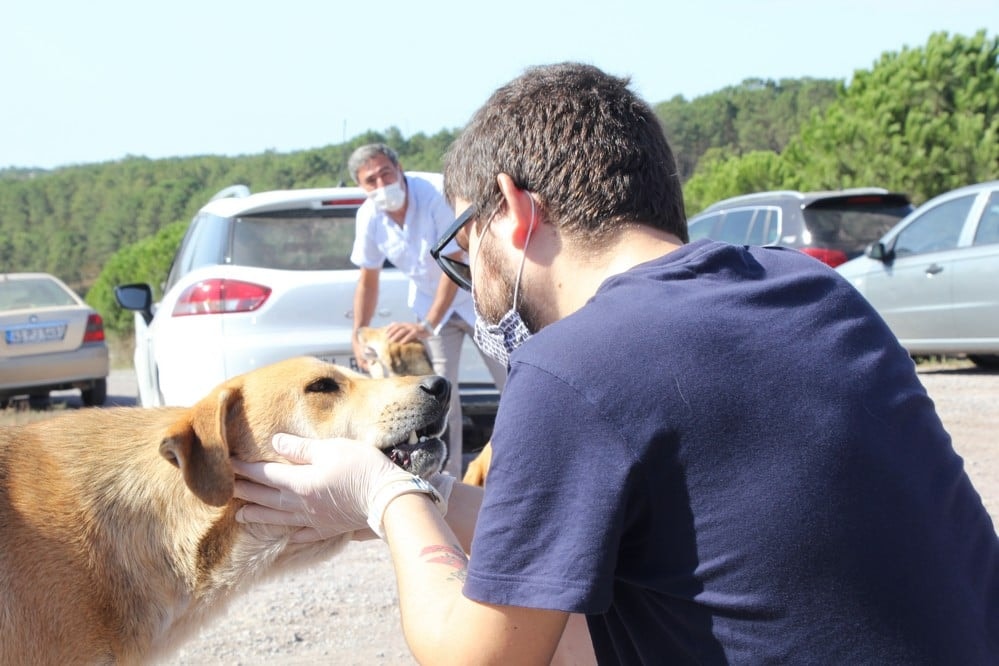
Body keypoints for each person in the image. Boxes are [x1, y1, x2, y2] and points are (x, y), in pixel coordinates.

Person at [233, 64, 999, 664]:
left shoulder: (573, 367)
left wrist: (382, 499)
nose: (477, 283)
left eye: (469, 254)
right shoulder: (812, 290)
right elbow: (562, 535)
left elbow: (477, 654)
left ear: (513, 207)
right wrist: (426, 491)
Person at [346, 143, 506, 478]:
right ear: (361, 186)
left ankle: (517, 468)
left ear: (399, 168)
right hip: (432, 308)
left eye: (385, 174)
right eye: (370, 180)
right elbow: (368, 281)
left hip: (480, 297)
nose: (380, 185)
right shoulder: (369, 216)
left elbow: (457, 259)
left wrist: (428, 324)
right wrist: (359, 334)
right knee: (439, 397)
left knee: (514, 383)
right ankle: (449, 480)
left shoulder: (434, 193)